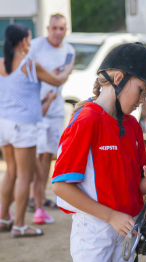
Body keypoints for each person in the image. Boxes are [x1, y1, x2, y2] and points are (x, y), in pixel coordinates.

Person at [52, 43, 146, 262]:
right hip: (94, 230)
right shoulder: (87, 120)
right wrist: (111, 216)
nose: (143, 100)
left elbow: (133, 188)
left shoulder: (132, 126)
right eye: (141, 89)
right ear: (119, 78)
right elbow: (61, 186)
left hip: (125, 228)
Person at [0, 24, 73, 237]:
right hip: (23, 126)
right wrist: (68, 67)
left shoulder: (2, 63)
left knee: (11, 173)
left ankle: (4, 217)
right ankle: (20, 225)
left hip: (4, 124)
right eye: (29, 38)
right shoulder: (29, 63)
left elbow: (17, 94)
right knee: (25, 176)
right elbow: (58, 80)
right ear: (23, 41)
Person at [27, 13, 75, 224]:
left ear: (66, 30)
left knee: (47, 157)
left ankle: (39, 198)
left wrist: (55, 79)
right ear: (48, 28)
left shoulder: (68, 50)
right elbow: (25, 70)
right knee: (33, 158)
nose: (58, 32)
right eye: (54, 28)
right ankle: (32, 198)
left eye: (62, 29)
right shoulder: (35, 46)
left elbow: (64, 75)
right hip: (35, 111)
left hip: (54, 111)